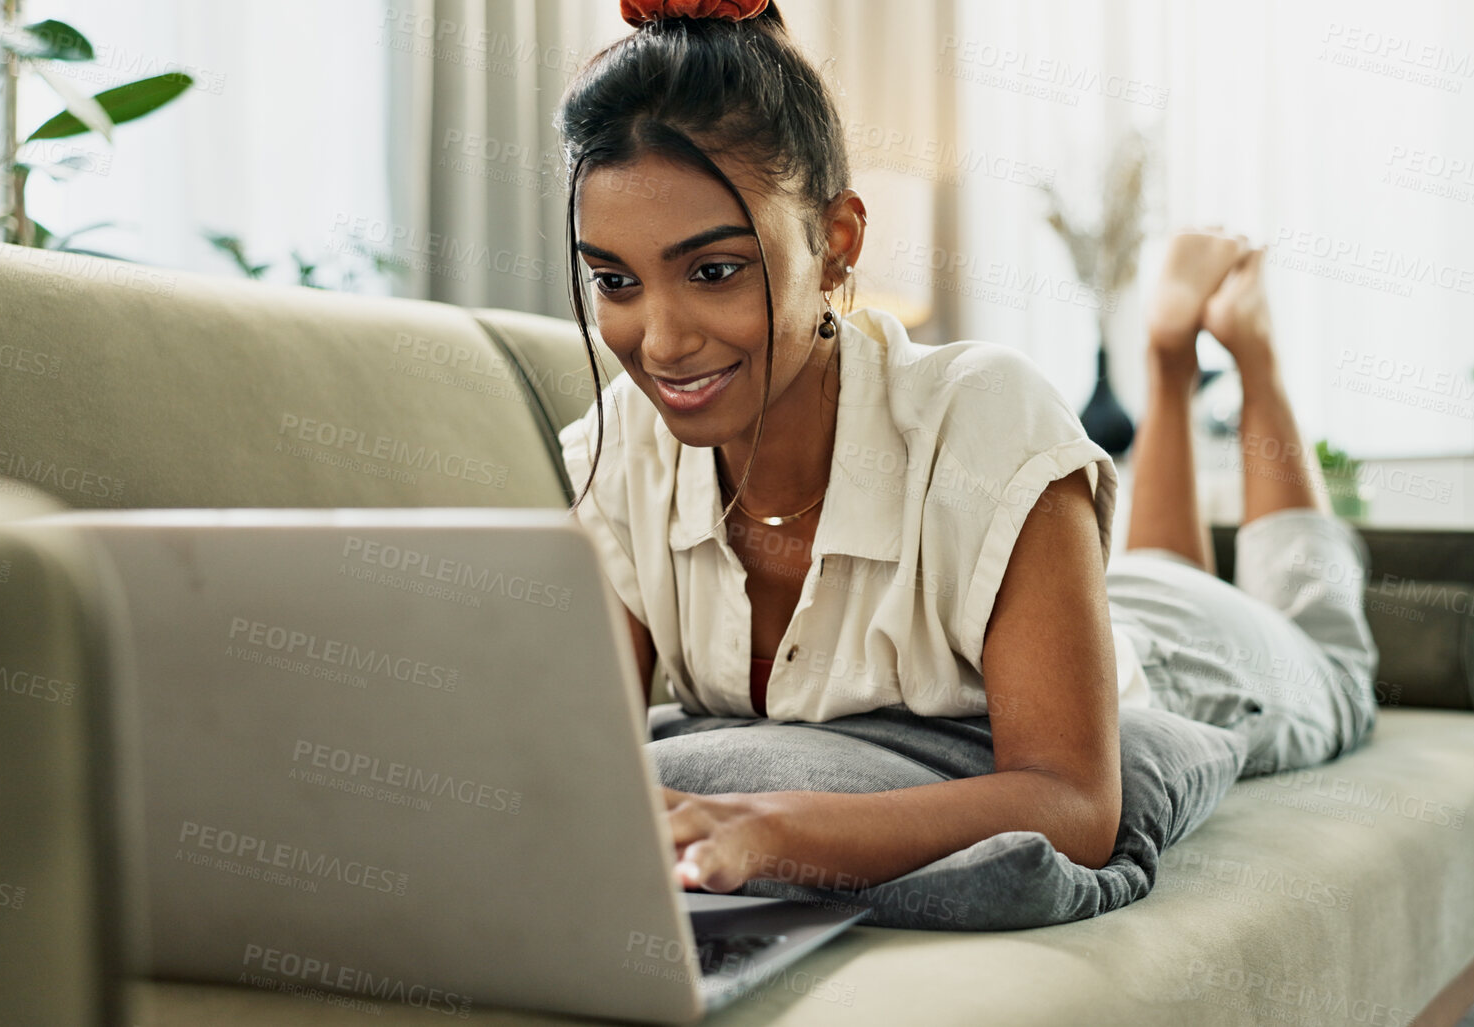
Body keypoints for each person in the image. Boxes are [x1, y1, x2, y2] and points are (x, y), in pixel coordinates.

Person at [554, 0, 1378, 897]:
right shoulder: (618, 450)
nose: (662, 341)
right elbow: (575, 763)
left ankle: (1243, 352)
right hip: (1078, 612)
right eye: (615, 280)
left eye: (713, 271)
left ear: (836, 245)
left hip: (1187, 662)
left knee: (1330, 650)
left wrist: (770, 826)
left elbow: (1076, 804)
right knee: (1150, 571)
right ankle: (1170, 365)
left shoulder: (983, 415)